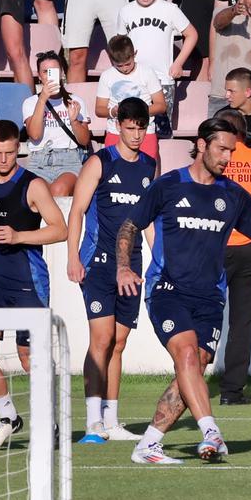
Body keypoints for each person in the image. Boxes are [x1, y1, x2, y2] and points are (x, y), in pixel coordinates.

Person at [119, 118, 251, 465]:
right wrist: (123, 266)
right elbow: (131, 225)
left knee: (194, 367)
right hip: (167, 290)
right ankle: (211, 431)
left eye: (231, 151)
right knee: (188, 356)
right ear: (202, 144)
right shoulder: (169, 185)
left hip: (210, 297)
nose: (227, 157)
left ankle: (149, 444)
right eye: (222, 149)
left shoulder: (233, 195)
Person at [0, 118, 66, 450]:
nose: (4, 159)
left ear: (17, 149)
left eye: (10, 153)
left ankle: (50, 422)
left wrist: (20, 235)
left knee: (28, 358)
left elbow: (60, 228)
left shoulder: (33, 185)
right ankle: (8, 417)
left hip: (28, 280)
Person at [64, 96, 154, 442]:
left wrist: (159, 259)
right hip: (98, 262)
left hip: (132, 267)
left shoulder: (148, 166)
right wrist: (73, 256)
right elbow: (77, 212)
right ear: (118, 127)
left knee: (119, 343)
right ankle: (92, 420)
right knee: (100, 340)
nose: (135, 134)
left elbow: (148, 222)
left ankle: (112, 421)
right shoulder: (100, 162)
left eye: (140, 128)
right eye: (130, 128)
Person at [21, 50, 91, 195]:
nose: (49, 75)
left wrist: (74, 121)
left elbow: (84, 140)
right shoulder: (30, 102)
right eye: (45, 71)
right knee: (34, 193)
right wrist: (43, 99)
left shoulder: (75, 101)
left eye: (53, 71)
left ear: (61, 73)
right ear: (39, 76)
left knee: (58, 190)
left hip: (69, 159)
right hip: (39, 159)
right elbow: (34, 135)